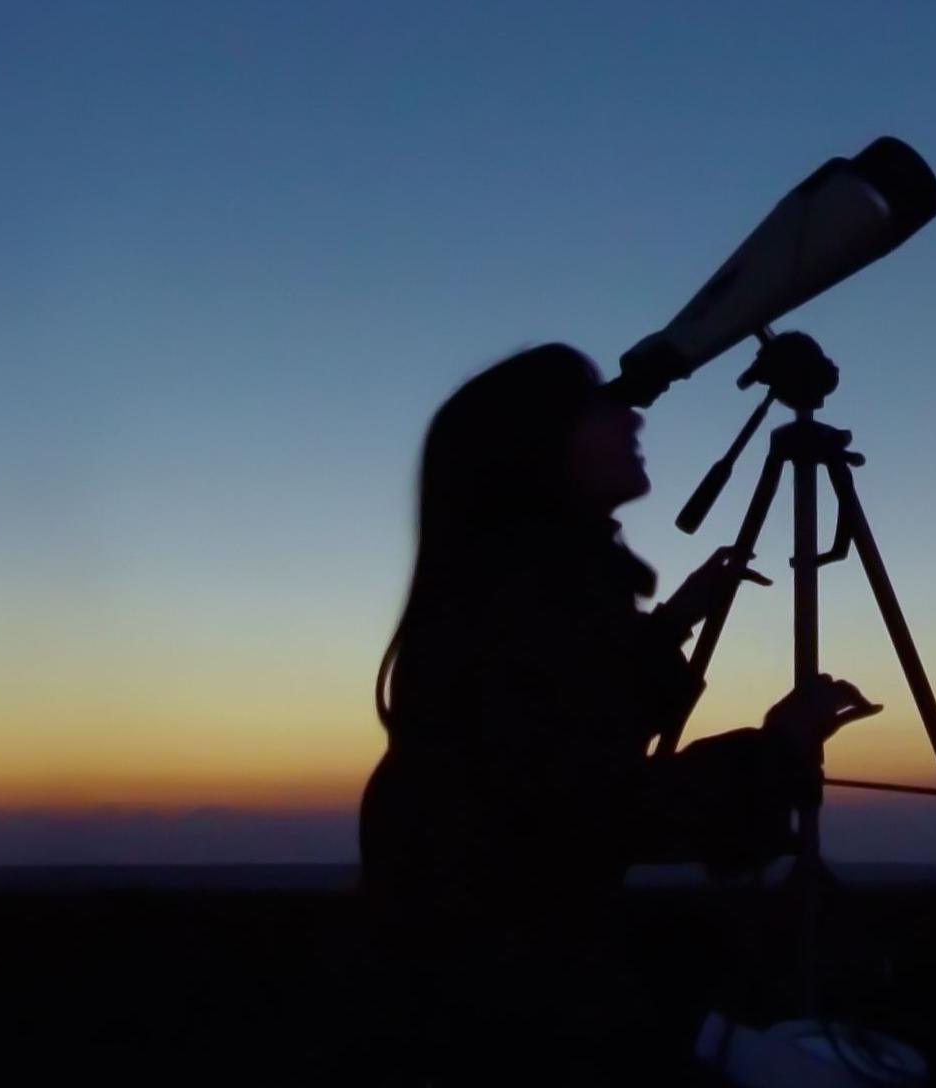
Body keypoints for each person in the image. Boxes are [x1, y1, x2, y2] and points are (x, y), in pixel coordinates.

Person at [358, 343, 881, 1082]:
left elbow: (574, 719)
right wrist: (777, 751)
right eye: (598, 403)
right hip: (506, 1001)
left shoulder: (514, 592)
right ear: (536, 449)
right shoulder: (524, 605)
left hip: (487, 973)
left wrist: (674, 624)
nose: (630, 415)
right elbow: (593, 806)